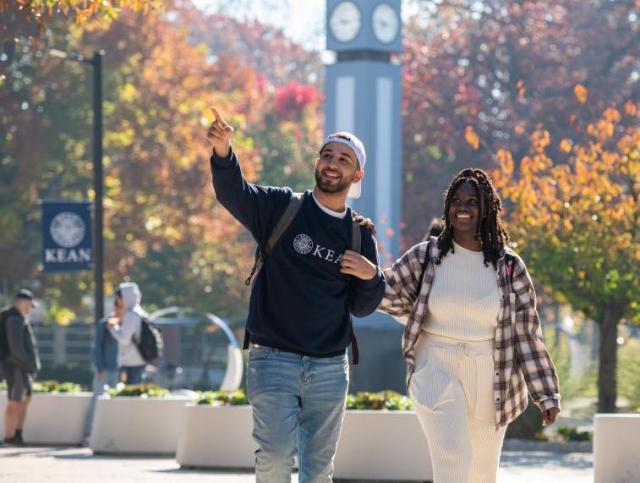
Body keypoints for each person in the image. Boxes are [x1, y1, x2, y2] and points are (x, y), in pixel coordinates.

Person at [207, 107, 385, 482]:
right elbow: (233, 193)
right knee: (273, 458)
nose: (333, 164)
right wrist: (224, 153)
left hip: (329, 369)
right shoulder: (281, 207)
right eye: (328, 155)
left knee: (318, 471)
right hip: (273, 360)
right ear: (317, 162)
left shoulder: (360, 236)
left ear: (357, 175)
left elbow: (362, 307)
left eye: (344, 160)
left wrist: (372, 277)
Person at [351, 168, 561, 483]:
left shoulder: (509, 267)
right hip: (435, 368)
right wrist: (371, 274)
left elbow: (527, 335)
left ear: (487, 209)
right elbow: (389, 294)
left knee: (481, 474)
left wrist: (546, 393)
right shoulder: (427, 256)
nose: (462, 207)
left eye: (472, 202)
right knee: (454, 463)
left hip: (492, 378)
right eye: (457, 200)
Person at [1, 289, 41, 446]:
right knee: (15, 401)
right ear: (23, 302)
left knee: (26, 398)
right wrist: (27, 364)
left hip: (21, 367)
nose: (30, 309)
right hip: (16, 367)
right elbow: (16, 347)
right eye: (29, 305)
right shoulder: (14, 320)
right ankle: (9, 437)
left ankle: (17, 434)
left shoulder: (17, 318)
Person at [84, 299, 120, 442]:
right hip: (105, 369)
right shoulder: (104, 324)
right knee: (97, 400)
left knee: (115, 403)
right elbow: (97, 347)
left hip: (118, 369)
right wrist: (100, 367)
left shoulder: (126, 324)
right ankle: (90, 433)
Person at [108, 283, 147, 385]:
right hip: (141, 360)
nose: (118, 302)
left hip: (130, 363)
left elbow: (124, 340)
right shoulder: (141, 312)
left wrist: (113, 327)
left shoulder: (131, 315)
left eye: (119, 299)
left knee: (128, 398)